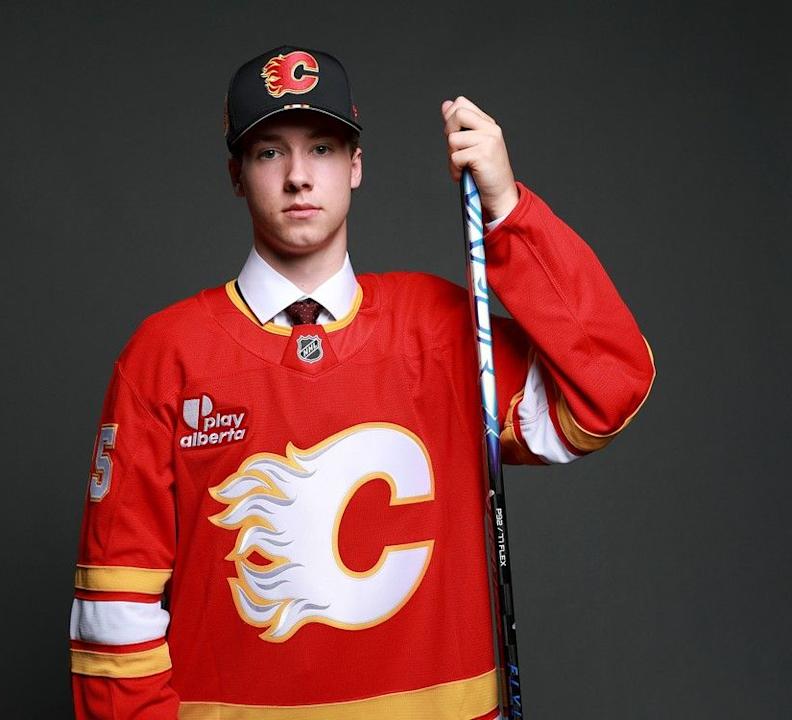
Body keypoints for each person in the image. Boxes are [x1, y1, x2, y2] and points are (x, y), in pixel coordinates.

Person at [68, 45, 655, 720]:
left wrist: (506, 208)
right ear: (236, 175)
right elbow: (114, 621)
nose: (297, 177)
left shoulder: (441, 328)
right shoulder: (164, 354)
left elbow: (607, 390)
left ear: (355, 167)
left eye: (321, 148)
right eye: (268, 153)